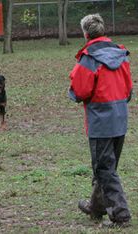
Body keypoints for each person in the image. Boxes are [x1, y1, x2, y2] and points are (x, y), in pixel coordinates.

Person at [68, 14, 132, 227]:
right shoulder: (120, 54)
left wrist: (73, 93)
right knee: (105, 167)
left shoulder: (89, 58)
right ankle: (96, 207)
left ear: (85, 33)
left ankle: (121, 215)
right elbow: (129, 89)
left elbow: (79, 90)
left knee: (105, 169)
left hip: (100, 122)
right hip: (120, 118)